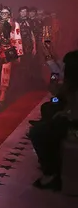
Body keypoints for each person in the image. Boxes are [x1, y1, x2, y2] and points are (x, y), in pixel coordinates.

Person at [29, 50, 78, 191]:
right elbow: (60, 97)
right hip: (70, 115)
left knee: (37, 133)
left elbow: (73, 110)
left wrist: (66, 113)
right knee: (48, 107)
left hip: (74, 123)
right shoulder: (71, 85)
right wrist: (56, 97)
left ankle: (51, 174)